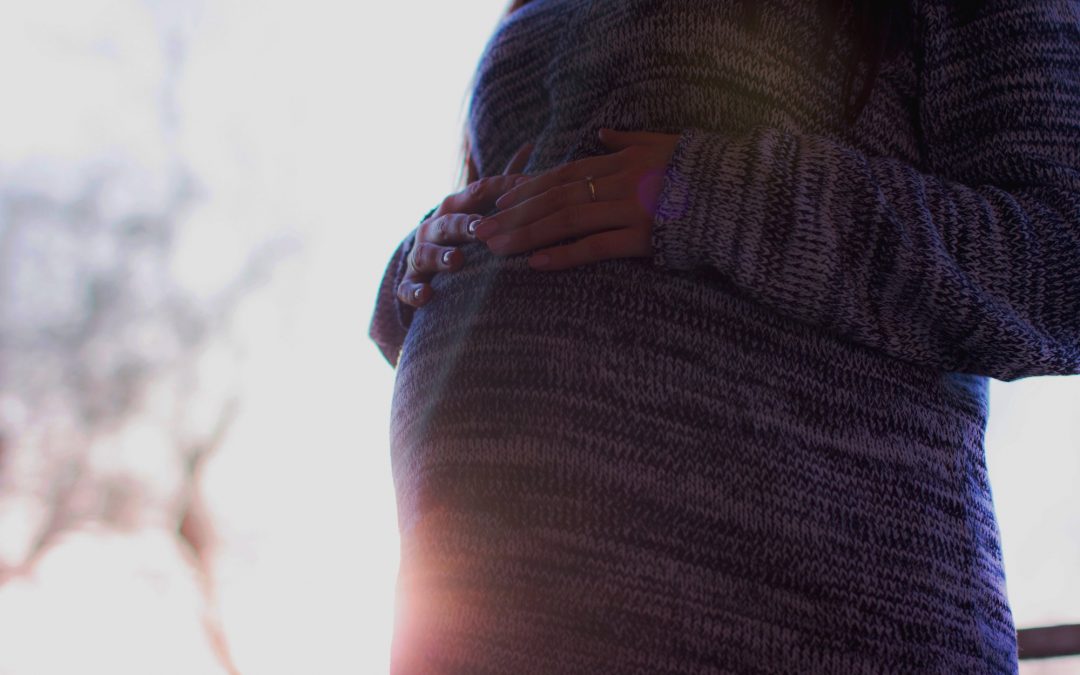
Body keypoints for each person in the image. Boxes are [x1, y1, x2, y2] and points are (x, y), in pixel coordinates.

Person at [370, 0, 1080, 672]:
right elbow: (549, 185)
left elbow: (1058, 262)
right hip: (488, 595)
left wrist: (704, 194)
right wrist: (425, 262)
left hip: (808, 610)